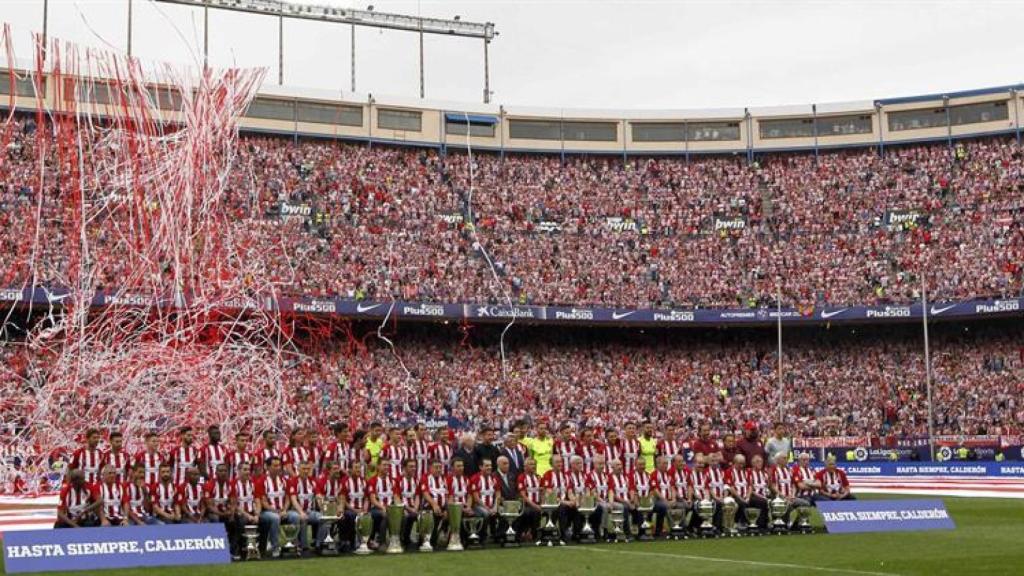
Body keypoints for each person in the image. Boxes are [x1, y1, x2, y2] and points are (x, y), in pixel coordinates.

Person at [256, 456, 298, 558]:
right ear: (267, 467)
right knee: (275, 518)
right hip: (267, 513)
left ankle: (292, 545)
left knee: (295, 516)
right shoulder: (261, 481)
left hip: (282, 510)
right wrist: (276, 511)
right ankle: (275, 547)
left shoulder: (284, 480)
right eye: (275, 465)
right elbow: (263, 502)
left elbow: (288, 498)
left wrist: (284, 510)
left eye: (279, 465)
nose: (278, 468)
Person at [769, 452, 810, 530]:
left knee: (805, 504)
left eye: (786, 458)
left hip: (790, 496)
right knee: (784, 504)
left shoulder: (789, 470)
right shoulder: (774, 470)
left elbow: (794, 485)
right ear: (778, 460)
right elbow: (772, 486)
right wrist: (783, 496)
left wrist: (793, 495)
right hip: (779, 497)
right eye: (784, 458)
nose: (786, 460)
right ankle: (782, 523)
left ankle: (796, 524)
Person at [205, 463, 240, 553]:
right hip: (214, 513)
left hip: (226, 511)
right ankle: (217, 549)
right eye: (220, 471)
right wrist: (222, 514)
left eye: (225, 471)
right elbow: (209, 506)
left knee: (237, 518)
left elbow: (233, 501)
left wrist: (231, 513)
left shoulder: (230, 485)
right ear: (216, 473)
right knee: (215, 519)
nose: (223, 473)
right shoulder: (210, 485)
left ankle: (234, 549)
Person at [289, 460, 322, 552]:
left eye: (308, 469)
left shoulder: (313, 481)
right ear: (298, 469)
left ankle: (319, 545)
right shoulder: (293, 481)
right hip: (295, 511)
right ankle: (304, 546)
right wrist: (301, 512)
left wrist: (324, 509)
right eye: (303, 469)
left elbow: (319, 497)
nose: (306, 471)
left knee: (323, 518)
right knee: (302, 518)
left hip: (310, 511)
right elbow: (293, 500)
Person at [229, 462, 260, 558]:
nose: (247, 472)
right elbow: (235, 505)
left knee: (264, 520)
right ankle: (236, 549)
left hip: (252, 512)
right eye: (245, 469)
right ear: (238, 471)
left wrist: (257, 515)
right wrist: (248, 516)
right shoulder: (233, 484)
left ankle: (257, 548)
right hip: (239, 512)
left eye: (248, 470)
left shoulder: (252, 483)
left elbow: (257, 501)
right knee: (242, 520)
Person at [342, 461, 371, 550]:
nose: (358, 470)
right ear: (350, 470)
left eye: (359, 467)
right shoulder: (345, 481)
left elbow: (367, 498)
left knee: (369, 516)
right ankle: (350, 541)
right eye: (356, 467)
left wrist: (364, 509)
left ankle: (367, 541)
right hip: (350, 509)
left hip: (362, 509)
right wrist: (355, 510)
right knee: (349, 515)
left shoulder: (364, 480)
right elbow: (343, 500)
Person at [420, 459, 449, 548]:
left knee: (454, 514)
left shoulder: (444, 478)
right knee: (432, 515)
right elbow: (425, 494)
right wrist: (434, 505)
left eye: (440, 467)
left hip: (443, 507)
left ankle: (448, 537)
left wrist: (447, 509)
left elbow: (447, 495)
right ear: (430, 468)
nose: (439, 469)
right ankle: (427, 539)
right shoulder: (425, 477)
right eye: (436, 467)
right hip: (429, 507)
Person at [470, 458, 500, 542]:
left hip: (492, 506)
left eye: (490, 465)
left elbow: (498, 494)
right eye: (486, 465)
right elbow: (476, 498)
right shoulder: (475, 478)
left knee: (503, 512)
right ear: (480, 467)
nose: (489, 467)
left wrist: (495, 507)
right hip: (478, 506)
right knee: (485, 513)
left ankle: (498, 535)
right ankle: (482, 536)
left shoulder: (494, 478)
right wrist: (488, 509)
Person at [396, 458, 422, 549]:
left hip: (414, 508)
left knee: (425, 515)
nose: (413, 468)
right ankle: (402, 539)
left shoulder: (416, 480)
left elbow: (418, 496)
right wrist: (409, 509)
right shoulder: (398, 480)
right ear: (404, 468)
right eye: (411, 466)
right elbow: (397, 498)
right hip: (403, 509)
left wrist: (415, 508)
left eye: (415, 466)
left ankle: (423, 541)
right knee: (406, 516)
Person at [516, 457, 543, 541]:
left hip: (538, 503)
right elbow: (523, 496)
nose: (533, 466)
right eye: (531, 464)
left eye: (534, 464)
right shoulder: (521, 478)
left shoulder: (538, 477)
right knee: (532, 511)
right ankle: (528, 532)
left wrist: (542, 504)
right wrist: (535, 506)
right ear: (525, 466)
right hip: (526, 504)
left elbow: (542, 492)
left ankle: (536, 532)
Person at [748, 454, 771, 530]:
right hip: (753, 495)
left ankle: (772, 522)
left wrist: (768, 493)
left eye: (761, 462)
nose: (760, 463)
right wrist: (760, 496)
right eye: (757, 462)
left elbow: (767, 486)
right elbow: (749, 488)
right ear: (753, 463)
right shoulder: (749, 473)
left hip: (764, 495)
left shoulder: (765, 474)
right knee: (761, 502)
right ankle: (761, 525)